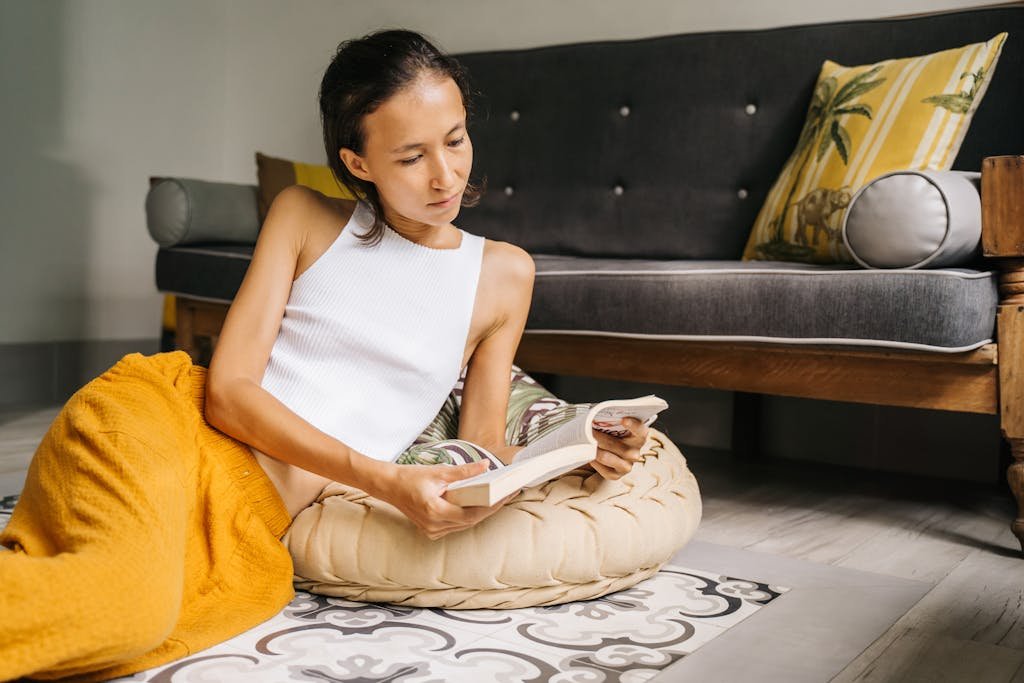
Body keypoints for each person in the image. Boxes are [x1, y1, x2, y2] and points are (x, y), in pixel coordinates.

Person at [0, 29, 649, 682]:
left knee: (139, 625)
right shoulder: (305, 216)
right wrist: (381, 478)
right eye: (411, 156)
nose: (446, 175)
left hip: (245, 520)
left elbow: (481, 448)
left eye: (455, 139)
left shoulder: (505, 275)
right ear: (358, 161)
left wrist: (579, 445)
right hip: (162, 424)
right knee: (123, 611)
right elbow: (227, 392)